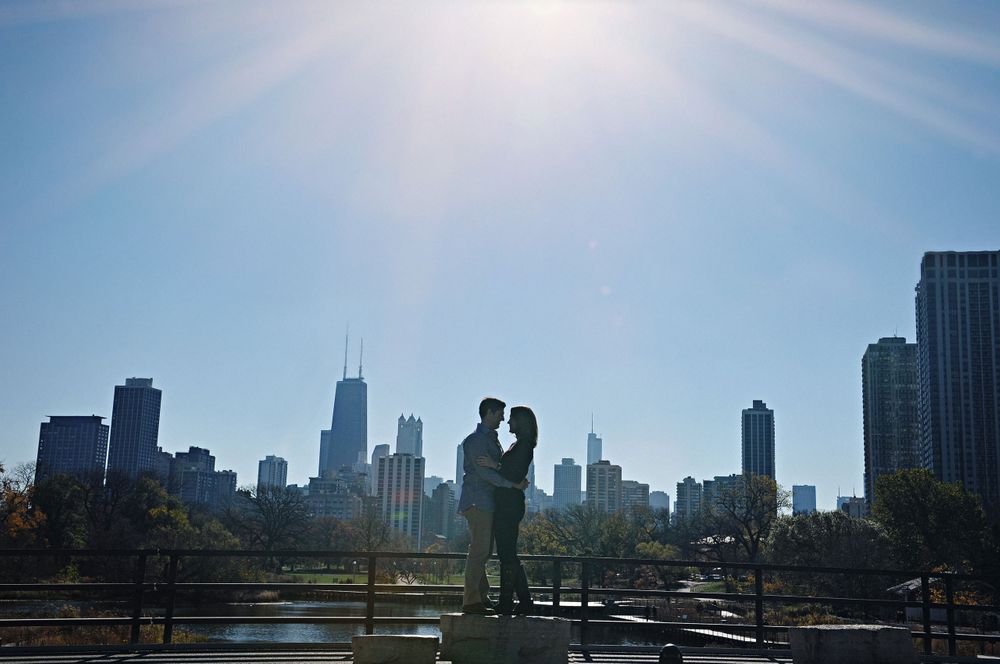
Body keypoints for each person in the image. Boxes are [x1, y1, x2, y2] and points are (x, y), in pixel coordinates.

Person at [457, 397, 529, 614]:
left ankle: (481, 596)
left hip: (486, 501)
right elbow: (484, 473)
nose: (503, 419)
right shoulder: (476, 440)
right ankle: (472, 601)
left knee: (484, 551)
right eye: (500, 414)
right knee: (479, 551)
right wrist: (512, 485)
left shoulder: (491, 439)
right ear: (489, 413)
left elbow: (500, 467)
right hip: (477, 500)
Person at [478, 405, 537, 615]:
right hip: (507, 503)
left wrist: (493, 465)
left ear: (521, 422)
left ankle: (506, 602)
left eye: (511, 418)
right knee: (508, 554)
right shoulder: (518, 444)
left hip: (510, 506)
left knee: (507, 554)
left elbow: (513, 473)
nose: (508, 422)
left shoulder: (525, 445)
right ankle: (524, 601)